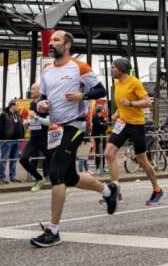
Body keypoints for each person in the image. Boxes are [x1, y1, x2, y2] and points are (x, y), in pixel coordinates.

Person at [29, 30, 118, 248]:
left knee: (56, 173)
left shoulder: (80, 67)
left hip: (75, 125)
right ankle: (108, 191)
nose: (52, 43)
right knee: (69, 177)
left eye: (57, 40)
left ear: (67, 44)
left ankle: (53, 230)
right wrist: (41, 105)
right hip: (56, 127)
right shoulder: (47, 70)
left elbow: (100, 89)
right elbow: (42, 99)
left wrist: (82, 96)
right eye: (51, 41)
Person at [104, 57, 165, 206]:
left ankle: (157, 190)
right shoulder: (117, 84)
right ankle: (115, 193)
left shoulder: (134, 82)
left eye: (113, 67)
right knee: (108, 153)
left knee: (142, 160)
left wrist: (131, 103)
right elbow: (122, 102)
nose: (111, 70)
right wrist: (118, 112)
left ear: (121, 69)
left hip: (136, 125)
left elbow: (147, 102)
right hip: (122, 124)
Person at [20, 83, 50, 192]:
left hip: (45, 137)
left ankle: (62, 185)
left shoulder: (46, 102)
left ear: (40, 90)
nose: (30, 91)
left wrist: (36, 117)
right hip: (34, 137)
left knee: (53, 160)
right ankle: (39, 178)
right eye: (30, 88)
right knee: (23, 159)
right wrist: (27, 123)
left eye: (33, 89)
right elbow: (32, 119)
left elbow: (49, 122)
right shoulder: (32, 103)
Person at [0, 100, 24, 183]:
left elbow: (21, 126)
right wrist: (3, 139)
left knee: (14, 159)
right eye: (17, 105)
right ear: (12, 106)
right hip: (7, 141)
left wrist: (22, 136)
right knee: (4, 158)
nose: (18, 107)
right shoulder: (3, 115)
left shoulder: (17, 114)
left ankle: (13, 176)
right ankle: (2, 177)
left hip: (17, 140)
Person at [90, 106, 108, 174]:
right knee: (98, 152)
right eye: (102, 111)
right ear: (99, 111)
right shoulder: (95, 117)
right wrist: (103, 124)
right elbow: (101, 125)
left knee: (102, 152)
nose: (102, 113)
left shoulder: (101, 117)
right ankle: (98, 167)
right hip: (98, 137)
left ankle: (102, 167)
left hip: (102, 136)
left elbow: (105, 126)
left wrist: (104, 124)